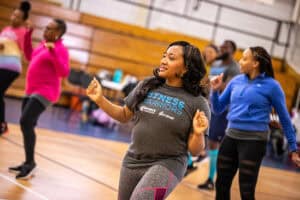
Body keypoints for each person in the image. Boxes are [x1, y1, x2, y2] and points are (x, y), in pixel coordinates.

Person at [86, 41, 210, 200]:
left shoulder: (197, 102)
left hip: (168, 164)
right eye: (164, 56)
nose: (164, 60)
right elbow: (124, 115)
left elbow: (195, 151)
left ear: (186, 67)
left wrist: (198, 134)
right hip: (133, 160)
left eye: (171, 58)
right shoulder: (147, 85)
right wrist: (100, 99)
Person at [211, 46, 300, 200]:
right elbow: (218, 109)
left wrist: (293, 148)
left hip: (254, 142)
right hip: (230, 137)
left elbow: (285, 118)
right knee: (221, 185)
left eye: (245, 58)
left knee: (246, 190)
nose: (240, 61)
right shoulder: (235, 81)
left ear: (255, 63)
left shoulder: (272, 86)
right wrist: (214, 90)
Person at [8, 19, 70, 179]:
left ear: (58, 33)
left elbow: (63, 72)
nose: (45, 31)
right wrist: (28, 35)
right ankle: (28, 162)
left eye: (50, 29)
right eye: (46, 27)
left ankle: (30, 164)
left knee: (25, 121)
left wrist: (53, 52)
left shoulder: (60, 49)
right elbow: (29, 55)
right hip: (31, 90)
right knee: (27, 125)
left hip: (46, 91)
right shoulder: (43, 44)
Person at [198, 40, 239, 190]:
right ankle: (203, 171)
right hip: (210, 104)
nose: (222, 48)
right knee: (209, 141)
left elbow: (228, 87)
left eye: (226, 47)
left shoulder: (234, 67)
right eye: (222, 46)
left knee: (216, 143)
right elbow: (209, 82)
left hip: (222, 109)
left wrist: (211, 83)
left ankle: (212, 179)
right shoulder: (216, 64)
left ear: (233, 51)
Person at [0, 1, 31, 135]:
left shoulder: (23, 32)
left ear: (23, 20)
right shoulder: (6, 29)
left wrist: (29, 33)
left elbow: (26, 50)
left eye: (18, 17)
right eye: (13, 15)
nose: (14, 18)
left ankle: (2, 124)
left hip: (11, 67)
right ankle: (2, 124)